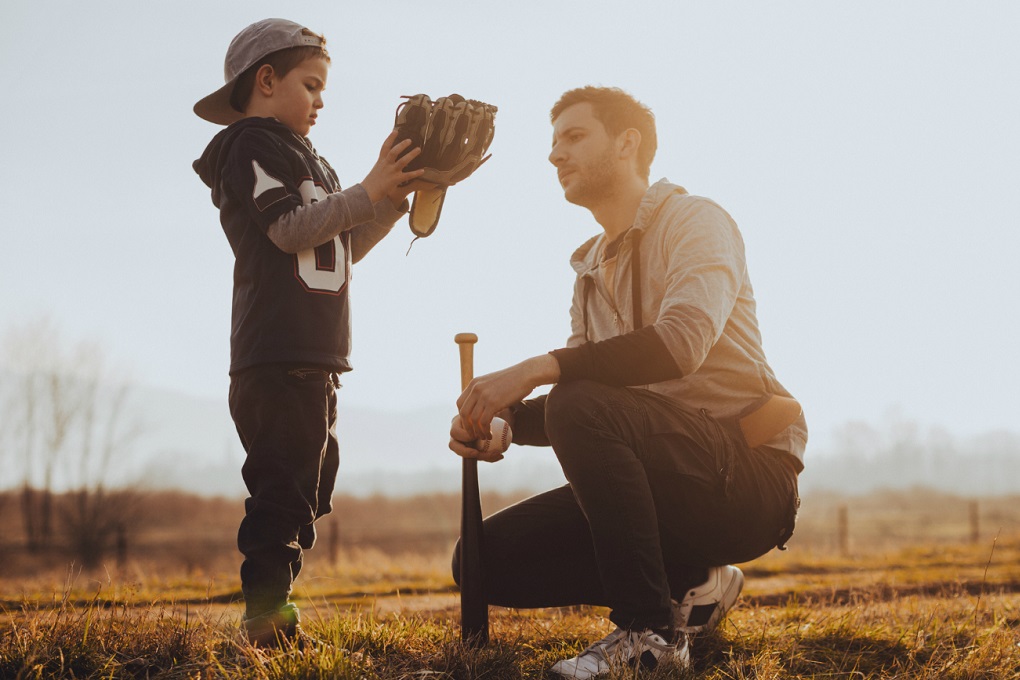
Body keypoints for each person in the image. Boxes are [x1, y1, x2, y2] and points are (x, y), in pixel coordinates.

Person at [449, 86, 807, 678]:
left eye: (573, 136)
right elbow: (585, 406)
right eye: (553, 141)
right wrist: (501, 424)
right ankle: (692, 581)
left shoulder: (697, 220)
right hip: (660, 478)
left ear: (627, 143)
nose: (554, 155)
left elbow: (679, 344)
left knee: (577, 397)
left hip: (748, 481)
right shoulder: (589, 271)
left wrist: (536, 367)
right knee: (480, 562)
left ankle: (651, 635)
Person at [193, 18, 424, 646]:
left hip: (316, 359)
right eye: (312, 86)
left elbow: (337, 247)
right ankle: (266, 623)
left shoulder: (308, 158)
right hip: (277, 356)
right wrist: (365, 189)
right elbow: (292, 231)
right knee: (283, 496)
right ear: (266, 80)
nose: (322, 102)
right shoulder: (249, 144)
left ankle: (275, 609)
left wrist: (394, 198)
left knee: (308, 492)